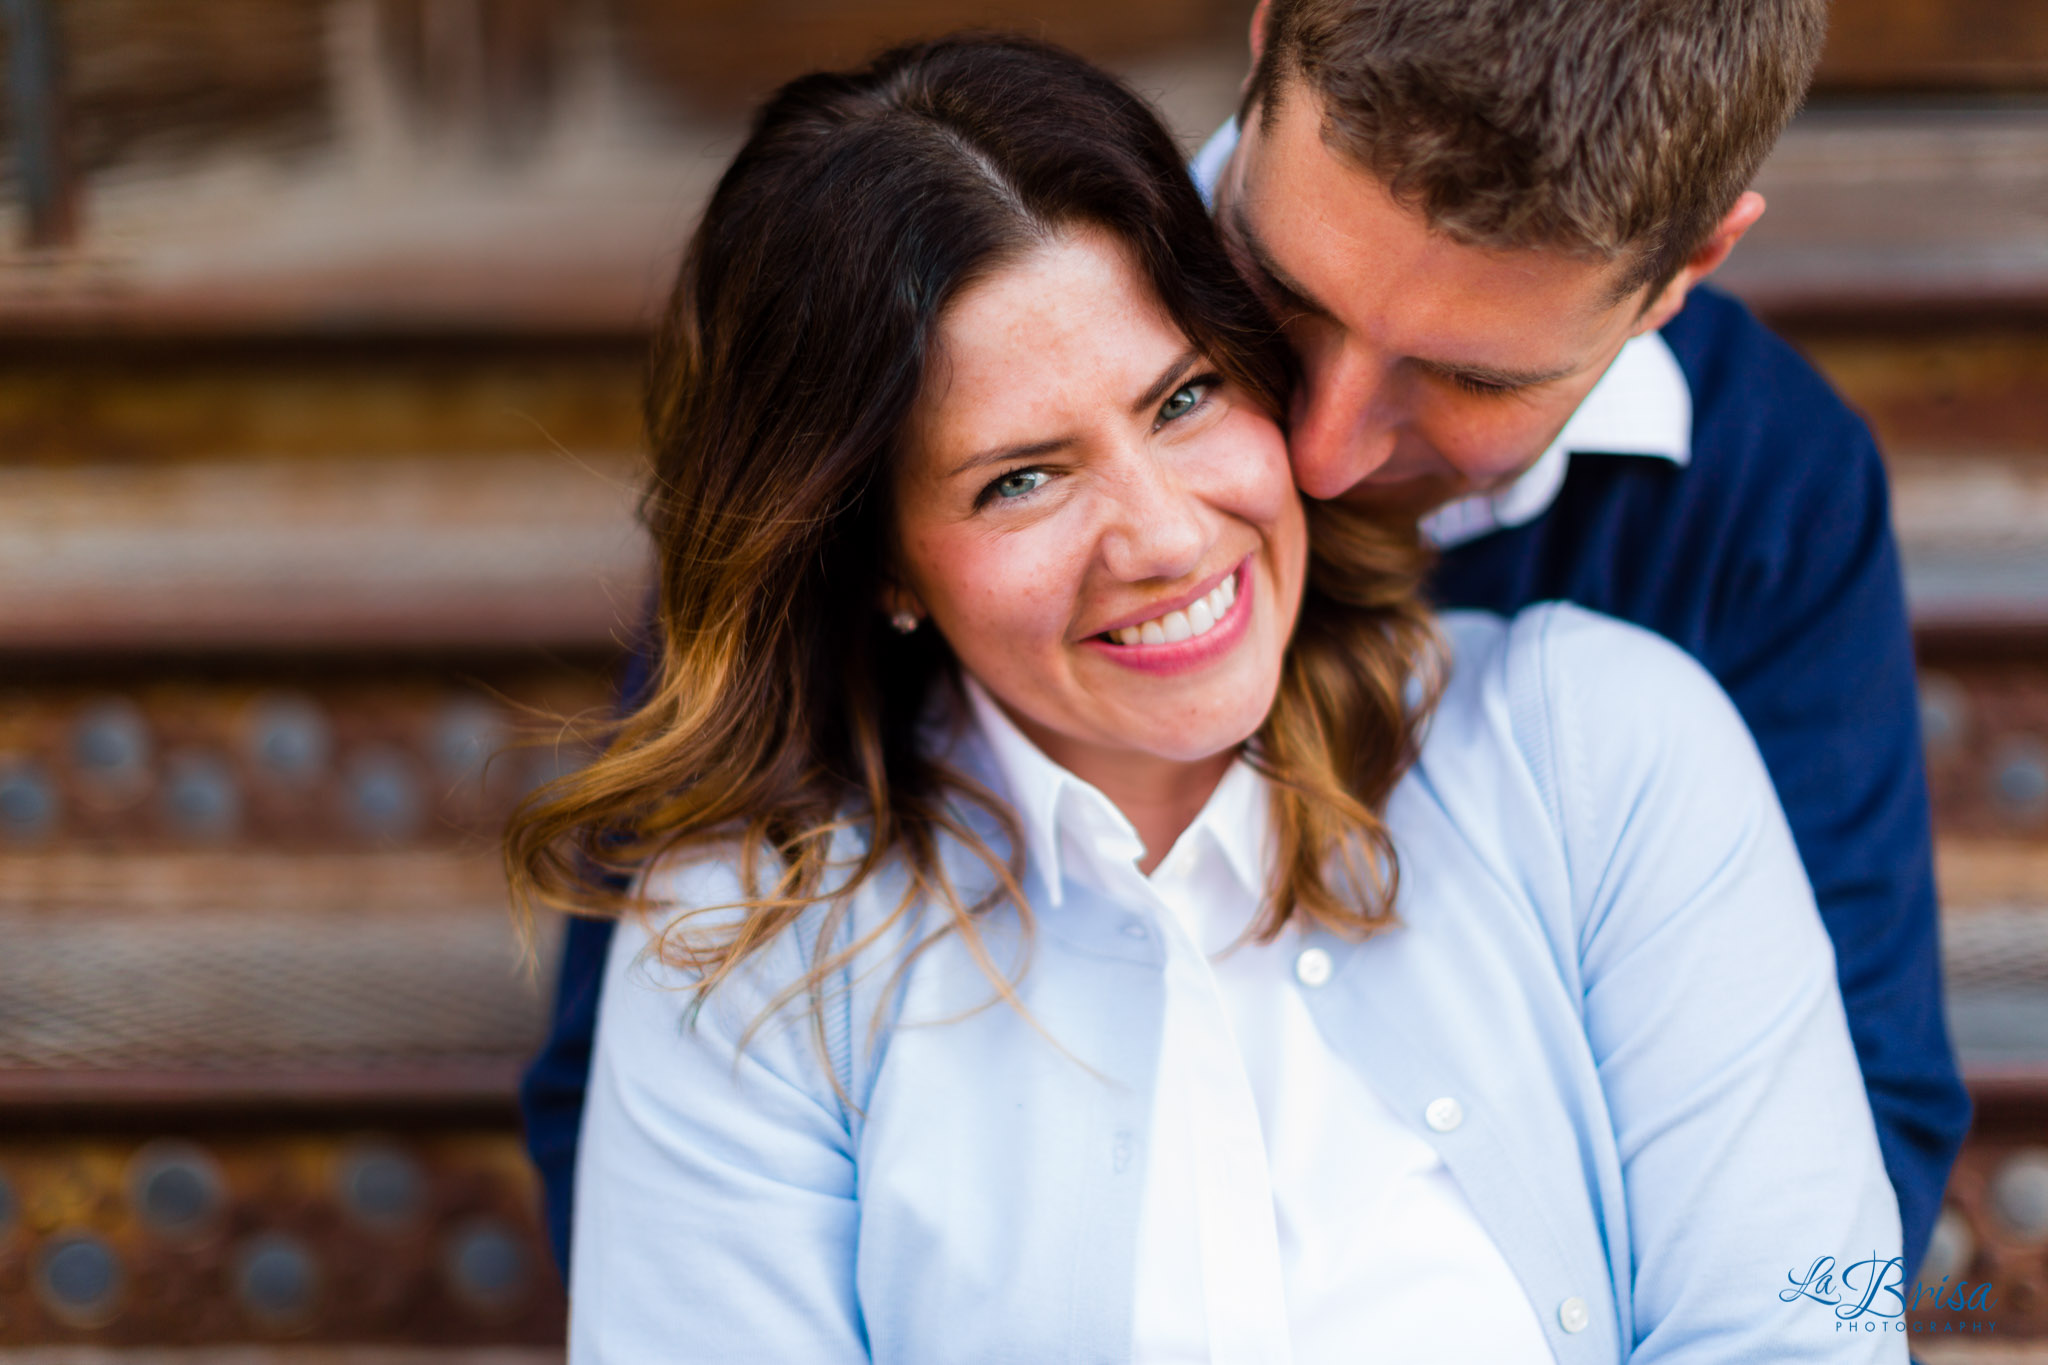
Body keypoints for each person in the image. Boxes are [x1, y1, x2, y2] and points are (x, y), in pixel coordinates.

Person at [523, 0, 1968, 1283]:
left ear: (1681, 270)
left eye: (1468, 376)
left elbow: (1833, 1159)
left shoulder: (1731, 540)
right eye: (1281, 306)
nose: (1326, 455)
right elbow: (673, 1128)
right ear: (1271, 39)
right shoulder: (974, 274)